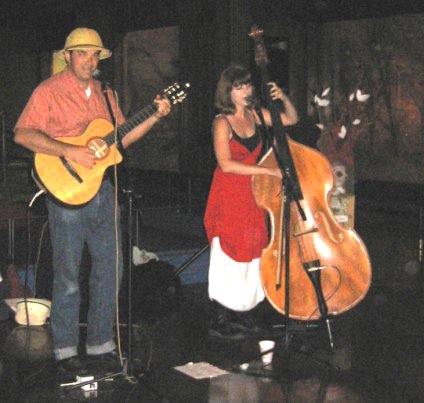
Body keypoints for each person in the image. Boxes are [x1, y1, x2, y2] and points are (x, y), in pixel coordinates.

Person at [14, 27, 171, 374]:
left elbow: (122, 139)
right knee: (68, 276)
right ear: (68, 57)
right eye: (82, 53)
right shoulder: (48, 91)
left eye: (94, 54)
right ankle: (66, 350)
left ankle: (101, 344)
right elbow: (22, 134)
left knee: (109, 270)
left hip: (103, 189)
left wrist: (156, 116)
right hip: (67, 190)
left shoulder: (105, 92)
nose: (89, 60)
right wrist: (70, 150)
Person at [204, 63, 298, 338]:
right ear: (228, 92)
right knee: (229, 253)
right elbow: (226, 164)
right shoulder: (222, 122)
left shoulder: (256, 116)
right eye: (239, 87)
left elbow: (290, 120)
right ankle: (220, 317)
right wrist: (267, 171)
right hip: (229, 192)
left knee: (253, 249)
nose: (246, 90)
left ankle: (245, 313)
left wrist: (282, 99)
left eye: (248, 85)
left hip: (251, 193)